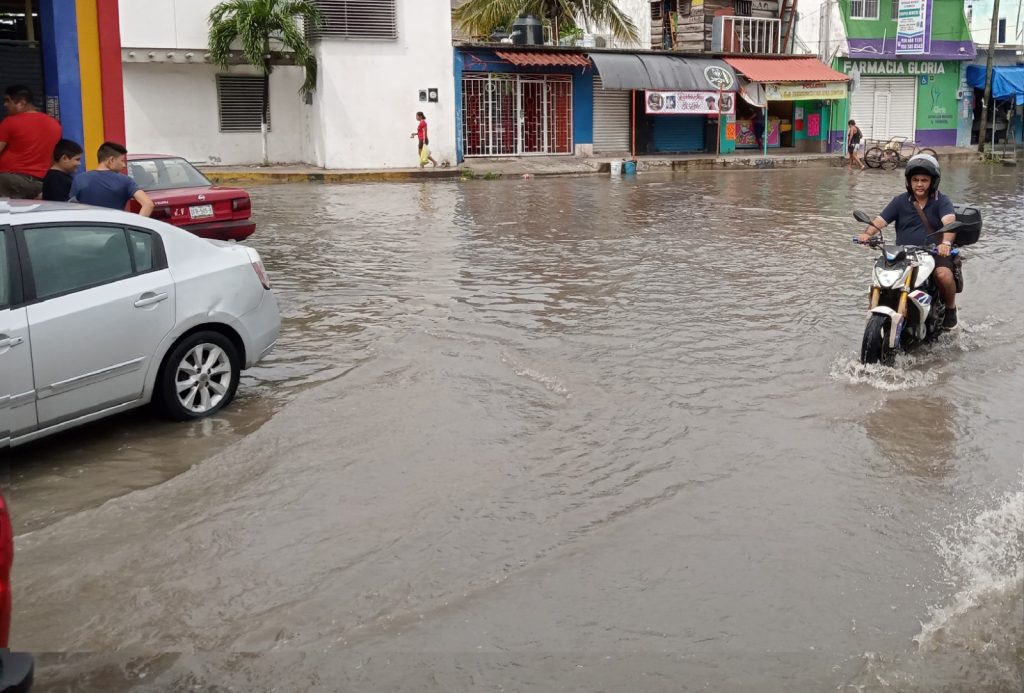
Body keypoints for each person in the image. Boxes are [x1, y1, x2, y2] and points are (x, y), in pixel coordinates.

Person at [858, 153, 959, 329]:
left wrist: (946, 244)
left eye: (924, 180)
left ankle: (950, 309)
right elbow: (880, 221)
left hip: (934, 252)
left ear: (933, 181)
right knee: (881, 278)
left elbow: (949, 225)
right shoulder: (900, 201)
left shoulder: (942, 201)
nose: (919, 184)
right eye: (915, 180)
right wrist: (867, 233)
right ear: (909, 181)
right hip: (904, 253)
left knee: (943, 274)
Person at [0, 85, 62, 199]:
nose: (5, 105)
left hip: (9, 182)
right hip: (40, 185)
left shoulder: (10, 122)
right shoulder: (55, 124)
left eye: (8, 101)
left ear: (22, 103)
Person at [70, 141, 154, 216]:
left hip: (86, 231)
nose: (124, 165)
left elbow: (71, 208)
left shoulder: (80, 179)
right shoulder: (125, 181)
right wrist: (136, 226)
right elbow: (148, 204)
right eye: (122, 161)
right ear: (111, 160)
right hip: (115, 230)